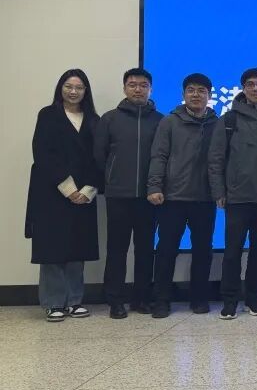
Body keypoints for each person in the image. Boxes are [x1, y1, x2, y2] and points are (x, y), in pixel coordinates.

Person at [208, 68, 257, 320]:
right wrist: (219, 191)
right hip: (237, 197)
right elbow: (215, 159)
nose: (256, 88)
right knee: (232, 251)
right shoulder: (229, 120)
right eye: (251, 84)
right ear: (243, 88)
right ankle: (229, 300)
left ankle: (254, 299)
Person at [26, 69, 102, 321]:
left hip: (84, 194)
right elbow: (43, 153)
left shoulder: (94, 119)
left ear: (86, 91)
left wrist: (88, 190)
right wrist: (69, 189)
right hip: (52, 191)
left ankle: (74, 300)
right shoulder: (48, 115)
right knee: (53, 248)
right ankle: (53, 302)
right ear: (61, 88)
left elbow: (100, 158)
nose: (73, 91)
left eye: (79, 87)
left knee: (77, 247)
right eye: (68, 86)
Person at [147, 73, 218, 318]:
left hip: (205, 198)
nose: (196, 95)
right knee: (166, 250)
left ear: (209, 95)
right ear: (183, 94)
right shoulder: (169, 122)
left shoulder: (217, 124)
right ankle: (161, 300)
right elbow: (158, 156)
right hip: (172, 198)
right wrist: (154, 187)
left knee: (203, 251)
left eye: (201, 91)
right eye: (191, 90)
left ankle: (199, 298)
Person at [94, 68, 163, 319]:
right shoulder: (109, 119)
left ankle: (141, 298)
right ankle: (115, 300)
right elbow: (99, 155)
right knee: (117, 250)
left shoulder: (161, 121)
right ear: (124, 88)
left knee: (145, 250)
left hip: (149, 197)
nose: (138, 89)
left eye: (143, 85)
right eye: (132, 85)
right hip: (118, 196)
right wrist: (110, 182)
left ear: (150, 89)